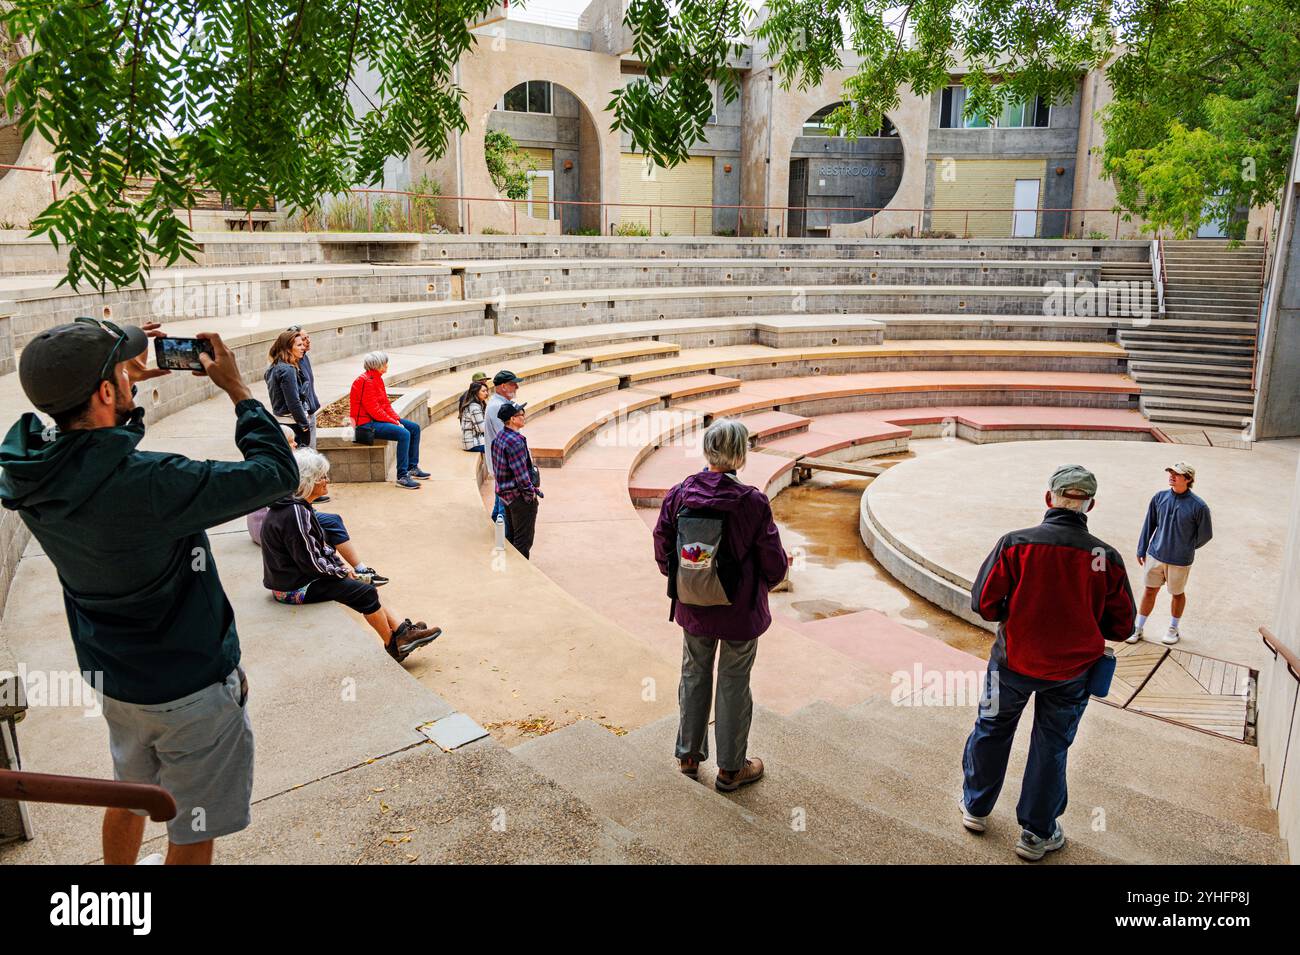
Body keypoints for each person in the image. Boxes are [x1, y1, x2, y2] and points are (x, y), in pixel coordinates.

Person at [0, 319, 299, 865]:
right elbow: (277, 476)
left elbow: (89, 450)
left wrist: (111, 374)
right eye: (120, 373)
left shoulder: (26, 470)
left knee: (131, 796)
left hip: (116, 681)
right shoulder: (154, 483)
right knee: (191, 825)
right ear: (106, 391)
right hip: (190, 687)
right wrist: (238, 391)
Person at [963, 465, 1135, 861]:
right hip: (1073, 673)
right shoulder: (1104, 557)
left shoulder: (1015, 544)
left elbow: (984, 605)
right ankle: (1037, 833)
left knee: (990, 728)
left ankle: (975, 807)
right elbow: (1121, 625)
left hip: (1011, 663)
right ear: (1090, 504)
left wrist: (1020, 611)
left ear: (1048, 499)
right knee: (1052, 745)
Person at [652, 418, 788, 793]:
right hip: (739, 612)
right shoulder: (752, 502)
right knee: (733, 681)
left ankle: (689, 757)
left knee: (694, 674)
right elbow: (773, 561)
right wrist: (761, 586)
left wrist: (684, 579)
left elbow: (662, 543)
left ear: (707, 452)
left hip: (693, 607)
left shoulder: (680, 493)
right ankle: (731, 769)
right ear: (740, 455)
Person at [259, 448, 440, 661]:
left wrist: (342, 568)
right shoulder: (295, 512)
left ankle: (402, 631)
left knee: (366, 583)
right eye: (322, 477)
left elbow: (321, 549)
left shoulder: (297, 507)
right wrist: (340, 573)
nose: (327, 480)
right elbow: (310, 562)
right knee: (365, 593)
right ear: (308, 482)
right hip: (293, 587)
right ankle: (394, 644)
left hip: (297, 577)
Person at [246, 427, 388, 585]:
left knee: (331, 521)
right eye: (290, 442)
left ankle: (356, 570)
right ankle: (358, 570)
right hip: (268, 528)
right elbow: (292, 508)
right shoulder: (279, 467)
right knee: (327, 527)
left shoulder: (271, 463)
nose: (295, 445)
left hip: (269, 523)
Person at [1129, 462, 1212, 646]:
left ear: (1188, 479)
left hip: (1179, 561)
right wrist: (1142, 548)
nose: (1172, 476)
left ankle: (1173, 628)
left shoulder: (1199, 506)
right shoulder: (1159, 498)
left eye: (1177, 474)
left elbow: (1206, 535)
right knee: (1149, 590)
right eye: (1171, 473)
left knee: (1177, 593)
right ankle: (1138, 628)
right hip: (1155, 555)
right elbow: (1149, 524)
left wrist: (1185, 548)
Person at [349, 351, 430, 490]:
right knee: (404, 434)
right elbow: (374, 410)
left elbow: (385, 404)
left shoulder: (377, 378)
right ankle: (402, 476)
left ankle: (412, 467)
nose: (387, 365)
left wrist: (397, 419)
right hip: (365, 424)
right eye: (385, 363)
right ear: (377, 365)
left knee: (414, 428)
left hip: (375, 420)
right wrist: (395, 423)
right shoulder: (364, 381)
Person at [490, 401, 542, 559]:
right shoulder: (515, 442)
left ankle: (511, 569)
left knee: (512, 537)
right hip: (518, 498)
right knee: (523, 541)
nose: (524, 417)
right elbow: (521, 476)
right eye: (521, 414)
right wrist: (530, 495)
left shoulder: (500, 437)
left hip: (505, 496)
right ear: (512, 419)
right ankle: (521, 577)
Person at [484, 370, 521, 530]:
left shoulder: (499, 404)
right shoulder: (497, 407)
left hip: (502, 464)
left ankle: (495, 527)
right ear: (503, 386)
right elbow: (508, 438)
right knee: (504, 509)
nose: (517, 387)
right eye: (513, 384)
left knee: (500, 502)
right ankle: (502, 541)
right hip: (504, 466)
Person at [264, 330, 311, 449]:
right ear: (288, 348)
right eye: (299, 345)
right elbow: (293, 402)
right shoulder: (288, 370)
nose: (303, 347)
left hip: (283, 423)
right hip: (294, 425)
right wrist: (305, 425)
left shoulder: (274, 367)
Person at [287, 325, 322, 450]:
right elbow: (293, 398)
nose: (307, 341)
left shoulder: (304, 358)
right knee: (307, 454)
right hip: (302, 417)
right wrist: (303, 421)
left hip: (310, 412)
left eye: (308, 337)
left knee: (312, 451)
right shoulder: (291, 365)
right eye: (303, 339)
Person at [459, 380, 488, 453]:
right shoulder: (474, 407)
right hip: (473, 443)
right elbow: (481, 429)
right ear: (476, 392)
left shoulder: (478, 405)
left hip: (477, 441)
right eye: (483, 391)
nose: (486, 393)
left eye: (486, 391)